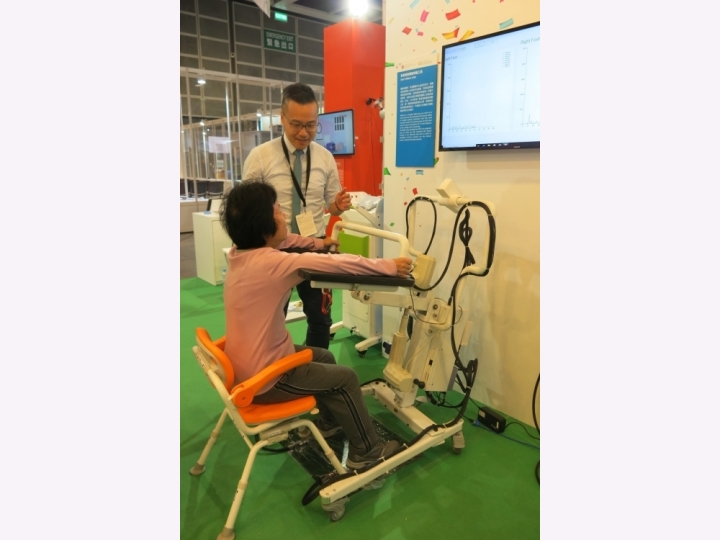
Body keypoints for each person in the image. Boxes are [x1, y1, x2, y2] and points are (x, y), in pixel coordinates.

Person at [221, 181, 413, 469]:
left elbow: (287, 240)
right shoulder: (275, 264)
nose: (284, 216)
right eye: (278, 211)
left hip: (244, 367)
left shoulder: (239, 253)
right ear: (264, 227)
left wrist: (320, 243)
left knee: (322, 356)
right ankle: (367, 453)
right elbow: (339, 264)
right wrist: (389, 266)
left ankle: (329, 422)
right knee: (346, 378)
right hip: (265, 379)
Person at [242, 82, 351, 350]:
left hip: (314, 246)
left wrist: (338, 205)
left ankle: (317, 367)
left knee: (321, 318)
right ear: (282, 118)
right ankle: (274, 367)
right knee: (270, 318)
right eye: (296, 125)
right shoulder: (260, 157)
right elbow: (248, 208)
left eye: (311, 125)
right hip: (273, 249)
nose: (304, 133)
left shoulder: (325, 158)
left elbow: (332, 208)